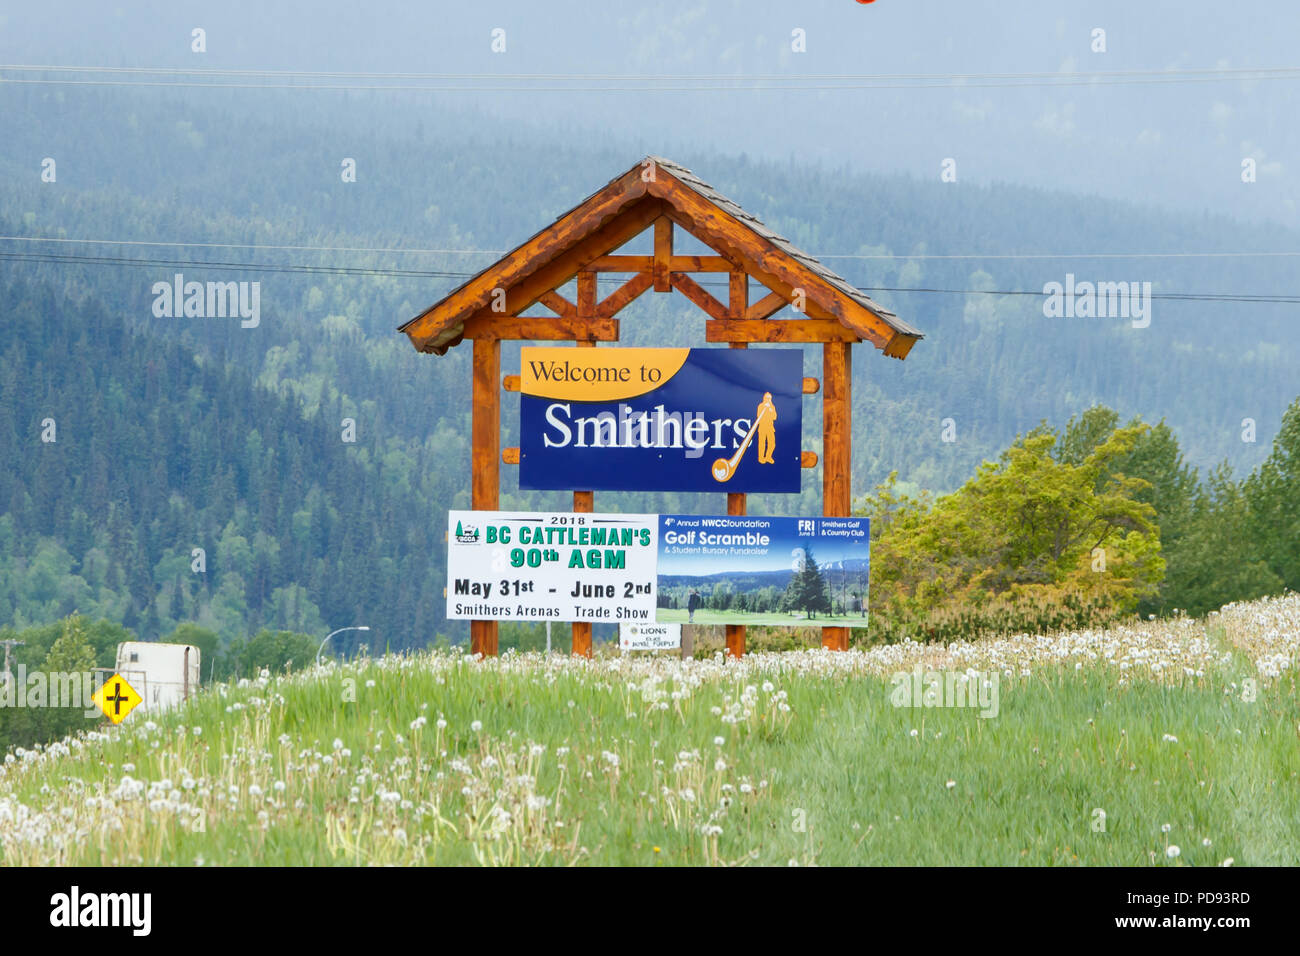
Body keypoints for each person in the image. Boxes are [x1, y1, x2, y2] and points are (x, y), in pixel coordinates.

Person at [756, 392, 777, 464]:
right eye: (767, 398)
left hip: (770, 428)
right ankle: (761, 458)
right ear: (764, 398)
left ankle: (768, 457)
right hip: (762, 427)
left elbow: (775, 417)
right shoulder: (760, 406)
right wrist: (765, 408)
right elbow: (759, 417)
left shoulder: (772, 407)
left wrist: (770, 410)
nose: (769, 400)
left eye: (770, 398)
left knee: (772, 443)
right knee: (762, 444)